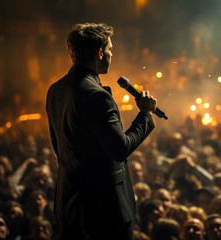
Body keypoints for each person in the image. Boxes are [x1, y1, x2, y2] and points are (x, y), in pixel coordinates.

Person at [45, 22, 157, 240]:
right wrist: (146, 115)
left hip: (69, 204)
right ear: (99, 52)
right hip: (104, 211)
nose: (111, 54)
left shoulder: (56, 90)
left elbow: (60, 147)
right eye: (110, 49)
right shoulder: (97, 96)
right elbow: (120, 148)